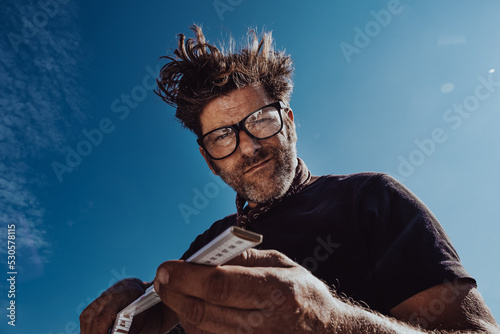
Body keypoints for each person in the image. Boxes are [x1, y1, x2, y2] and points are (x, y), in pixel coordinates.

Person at [80, 25, 499, 333]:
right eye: (223, 136)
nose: (247, 147)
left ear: (290, 124)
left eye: (261, 120)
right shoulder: (206, 246)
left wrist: (329, 322)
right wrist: (135, 311)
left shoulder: (370, 197)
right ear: (209, 160)